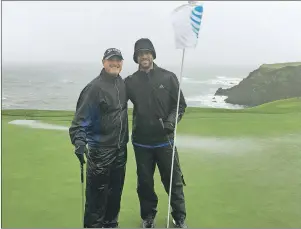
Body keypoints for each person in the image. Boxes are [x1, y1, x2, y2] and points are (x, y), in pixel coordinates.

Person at [124, 38, 188, 228]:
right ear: (136, 57)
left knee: (173, 182)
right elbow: (115, 102)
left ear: (152, 55)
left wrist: (171, 122)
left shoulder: (168, 77)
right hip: (141, 142)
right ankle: (148, 217)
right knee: (144, 183)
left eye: (147, 52)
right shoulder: (130, 82)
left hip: (164, 140)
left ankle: (179, 217)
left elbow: (180, 105)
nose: (144, 56)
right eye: (140, 53)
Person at [69, 48, 128, 228]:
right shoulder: (94, 88)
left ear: (122, 64)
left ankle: (111, 225)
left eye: (118, 60)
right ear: (103, 62)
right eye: (111, 60)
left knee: (114, 195)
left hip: (120, 150)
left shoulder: (122, 84)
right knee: (97, 199)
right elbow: (79, 121)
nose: (115, 63)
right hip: (101, 151)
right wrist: (79, 142)